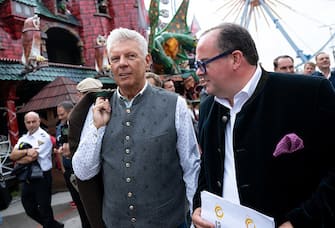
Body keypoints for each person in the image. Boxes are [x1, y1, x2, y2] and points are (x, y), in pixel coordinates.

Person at [192, 23, 335, 228]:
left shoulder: (308, 93)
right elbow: (208, 169)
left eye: (203, 63)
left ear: (235, 59)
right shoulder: (208, 108)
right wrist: (199, 205)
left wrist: (299, 221)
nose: (198, 72)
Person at [72, 27, 200, 227]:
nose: (122, 63)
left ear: (147, 60)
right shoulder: (98, 107)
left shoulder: (175, 105)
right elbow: (83, 171)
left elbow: (191, 166)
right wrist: (97, 128)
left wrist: (194, 216)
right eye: (115, 58)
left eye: (130, 56)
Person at [10, 111, 64, 228]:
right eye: (28, 122)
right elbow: (12, 156)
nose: (31, 124)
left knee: (45, 209)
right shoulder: (23, 138)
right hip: (27, 178)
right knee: (29, 209)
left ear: (39, 121)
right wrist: (25, 151)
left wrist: (20, 157)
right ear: (25, 123)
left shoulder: (44, 137)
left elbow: (32, 157)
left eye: (34, 121)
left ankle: (51, 226)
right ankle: (54, 226)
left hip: (42, 177)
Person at [54, 101, 91, 228]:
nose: (60, 118)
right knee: (77, 202)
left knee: (87, 201)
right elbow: (59, 149)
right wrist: (63, 169)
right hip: (68, 170)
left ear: (71, 111)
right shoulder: (59, 128)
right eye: (58, 115)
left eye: (62, 114)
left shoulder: (80, 125)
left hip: (80, 168)